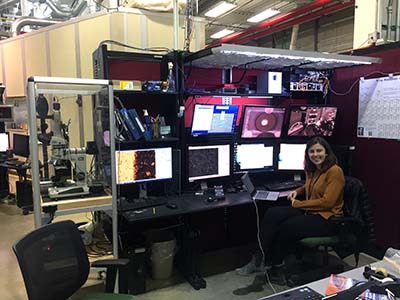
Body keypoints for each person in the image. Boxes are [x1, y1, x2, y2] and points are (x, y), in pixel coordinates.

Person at [236, 136, 345, 285]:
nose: (315, 154)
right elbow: (309, 187)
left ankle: (276, 265)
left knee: (286, 227)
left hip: (327, 218)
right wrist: (297, 192)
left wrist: (299, 204)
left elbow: (328, 202)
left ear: (327, 152)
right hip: (311, 210)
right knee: (272, 214)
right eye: (311, 151)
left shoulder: (335, 171)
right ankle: (259, 259)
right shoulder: (313, 169)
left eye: (319, 151)